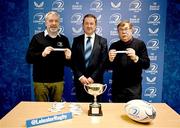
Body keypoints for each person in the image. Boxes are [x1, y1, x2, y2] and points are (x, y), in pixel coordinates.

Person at [26, 11, 71, 102]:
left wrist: (68, 57)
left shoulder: (64, 39)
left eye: (56, 21)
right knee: (41, 110)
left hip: (58, 81)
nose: (53, 23)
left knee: (57, 110)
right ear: (46, 22)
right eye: (51, 21)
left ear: (59, 23)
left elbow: (68, 63)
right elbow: (29, 58)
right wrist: (42, 54)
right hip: (40, 82)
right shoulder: (37, 38)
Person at [108, 20, 150, 103]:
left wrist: (135, 58)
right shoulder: (114, 45)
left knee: (134, 112)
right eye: (121, 30)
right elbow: (107, 67)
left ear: (131, 30)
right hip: (117, 88)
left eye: (126, 29)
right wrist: (110, 59)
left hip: (134, 88)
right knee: (116, 113)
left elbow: (146, 65)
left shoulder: (140, 44)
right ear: (118, 32)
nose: (124, 32)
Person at [71, 14, 108, 102]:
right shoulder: (76, 40)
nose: (89, 26)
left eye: (91, 23)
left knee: (95, 107)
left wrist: (92, 77)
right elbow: (73, 61)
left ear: (95, 26)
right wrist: (80, 76)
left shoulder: (102, 41)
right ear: (83, 25)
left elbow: (103, 62)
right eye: (86, 23)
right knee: (81, 107)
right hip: (80, 82)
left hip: (96, 82)